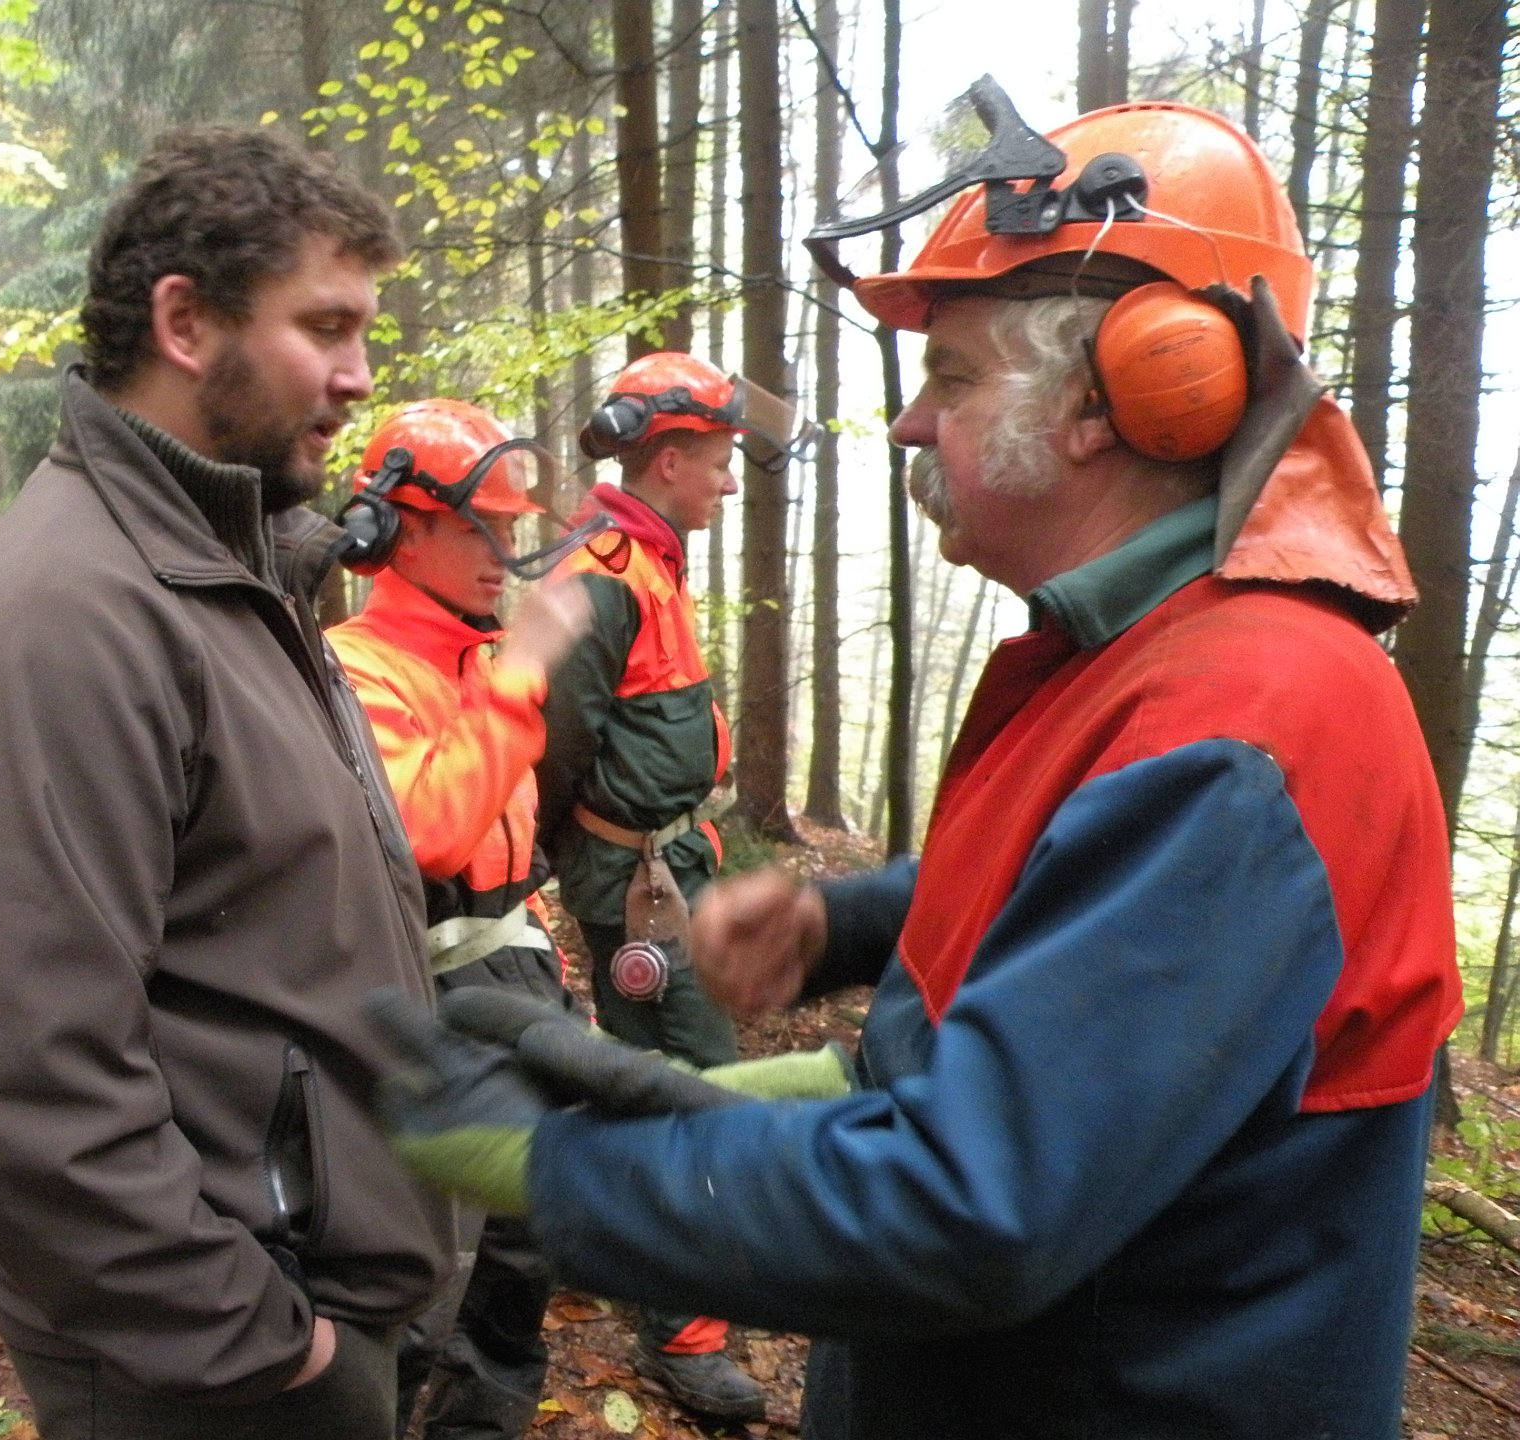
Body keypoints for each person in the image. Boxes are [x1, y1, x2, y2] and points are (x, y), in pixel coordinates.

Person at [371, 83, 1463, 1439]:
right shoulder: (1154, 664)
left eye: (952, 376)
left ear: (1124, 394)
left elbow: (969, 1204)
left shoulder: (1243, 722)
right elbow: (1067, 898)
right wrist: (844, 926)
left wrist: (554, 1164)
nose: (908, 422)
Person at [0, 125, 456, 1440]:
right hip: (210, 1364)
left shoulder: (231, 566)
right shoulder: (61, 618)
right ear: (185, 324)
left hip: (294, 1299)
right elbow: (6, 1086)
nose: (360, 376)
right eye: (325, 327)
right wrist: (263, 1345)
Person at [531, 351, 804, 1424]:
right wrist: (565, 860)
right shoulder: (598, 575)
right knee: (687, 1084)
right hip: (631, 872)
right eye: (721, 461)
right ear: (669, 458)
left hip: (669, 859)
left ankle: (606, 1239)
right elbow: (548, 741)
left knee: (650, 1070)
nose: (732, 482)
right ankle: (682, 1333)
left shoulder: (648, 558)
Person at [325, 399, 591, 1439]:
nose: (502, 554)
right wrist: (520, 674)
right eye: (481, 528)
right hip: (425, 994)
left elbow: (507, 855)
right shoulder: (357, 666)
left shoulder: (479, 661)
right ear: (400, 530)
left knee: (525, 1249)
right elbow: (428, 834)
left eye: (511, 529)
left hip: (509, 975)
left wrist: (550, 981)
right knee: (432, 1259)